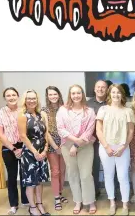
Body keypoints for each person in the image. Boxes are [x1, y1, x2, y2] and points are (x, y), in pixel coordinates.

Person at [96, 84, 135, 216]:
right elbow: (98, 130)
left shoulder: (128, 111)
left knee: (123, 176)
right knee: (108, 176)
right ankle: (112, 203)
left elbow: (131, 132)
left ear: (122, 95)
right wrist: (107, 147)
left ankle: (125, 204)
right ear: (109, 94)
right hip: (106, 148)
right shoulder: (103, 109)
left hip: (122, 148)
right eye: (113, 92)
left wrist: (123, 147)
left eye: (118, 92)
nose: (116, 95)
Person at [56, 84, 96, 215]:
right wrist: (74, 141)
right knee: (73, 175)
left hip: (85, 145)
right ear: (70, 95)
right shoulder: (62, 110)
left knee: (86, 175)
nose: (76, 95)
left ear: (82, 94)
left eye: (78, 93)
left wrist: (77, 145)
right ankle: (78, 201)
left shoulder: (89, 111)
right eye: (73, 93)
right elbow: (60, 129)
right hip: (67, 146)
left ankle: (90, 201)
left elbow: (89, 131)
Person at [0, 87, 28, 215]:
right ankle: (13, 204)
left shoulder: (23, 111)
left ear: (18, 96)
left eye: (14, 95)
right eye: (8, 95)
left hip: (24, 145)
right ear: (5, 98)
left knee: (25, 176)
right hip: (8, 148)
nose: (11, 97)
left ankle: (26, 201)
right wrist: (13, 149)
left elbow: (27, 131)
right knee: (12, 177)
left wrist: (23, 147)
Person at [18, 89, 50, 216]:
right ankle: (32, 207)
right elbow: (23, 136)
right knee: (31, 182)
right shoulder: (22, 115)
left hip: (42, 153)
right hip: (30, 154)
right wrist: (35, 152)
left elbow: (45, 133)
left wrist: (46, 149)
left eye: (34, 98)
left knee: (39, 180)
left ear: (37, 100)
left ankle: (40, 204)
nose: (31, 101)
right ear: (25, 100)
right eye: (29, 98)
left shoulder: (41, 115)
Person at [41, 86, 67, 211]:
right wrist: (56, 147)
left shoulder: (65, 107)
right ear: (47, 96)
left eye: (55, 94)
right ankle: (56, 198)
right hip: (52, 146)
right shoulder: (44, 110)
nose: (53, 96)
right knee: (55, 172)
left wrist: (63, 145)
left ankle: (60, 193)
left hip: (65, 144)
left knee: (62, 171)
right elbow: (46, 132)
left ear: (59, 94)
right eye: (50, 94)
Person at [87, 79, 108, 197]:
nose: (100, 89)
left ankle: (113, 193)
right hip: (92, 142)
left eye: (103, 87)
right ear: (94, 89)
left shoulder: (111, 103)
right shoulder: (87, 104)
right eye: (98, 87)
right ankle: (94, 192)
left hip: (108, 141)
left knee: (110, 168)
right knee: (93, 168)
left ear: (107, 89)